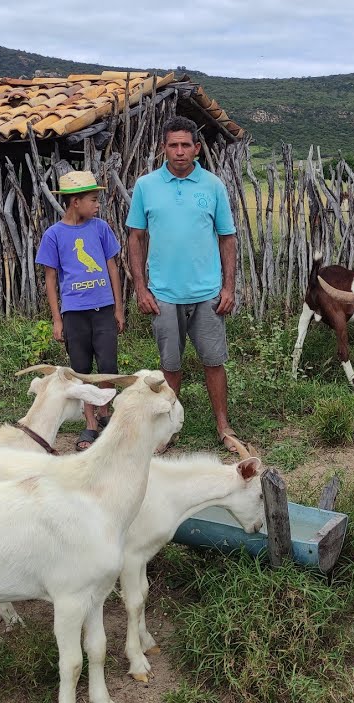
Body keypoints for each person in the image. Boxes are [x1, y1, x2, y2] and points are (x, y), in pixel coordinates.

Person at [126, 116, 242, 453]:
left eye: (185, 145)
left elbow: (228, 238)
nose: (179, 151)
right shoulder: (147, 186)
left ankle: (223, 425)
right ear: (164, 148)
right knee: (170, 366)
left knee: (214, 361)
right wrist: (141, 289)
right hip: (163, 294)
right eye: (173, 145)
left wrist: (228, 288)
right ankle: (168, 430)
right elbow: (135, 237)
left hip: (207, 293)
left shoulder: (212, 186)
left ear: (196, 148)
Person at [37, 169, 125, 450]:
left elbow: (112, 268)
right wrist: (57, 319)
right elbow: (50, 279)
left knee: (108, 367)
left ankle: (105, 413)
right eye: (92, 199)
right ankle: (89, 423)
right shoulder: (54, 235)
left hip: (103, 309)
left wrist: (119, 308)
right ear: (75, 202)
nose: (97, 204)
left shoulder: (100, 228)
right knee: (82, 369)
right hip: (74, 312)